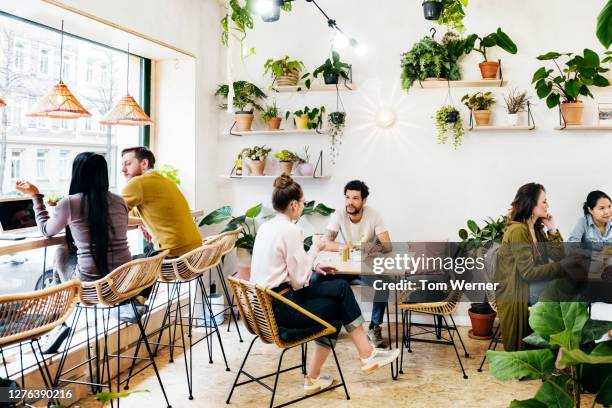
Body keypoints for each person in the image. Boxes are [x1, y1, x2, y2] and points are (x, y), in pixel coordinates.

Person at [250, 175, 399, 394]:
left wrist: (314, 265)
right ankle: (357, 358)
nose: (303, 206)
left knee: (340, 288)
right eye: (302, 203)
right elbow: (300, 282)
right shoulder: (291, 230)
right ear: (293, 204)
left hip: (264, 306)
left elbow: (288, 271)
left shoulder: (266, 227)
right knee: (337, 305)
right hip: (282, 308)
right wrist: (315, 249)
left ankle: (362, 357)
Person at [15, 152, 132, 282]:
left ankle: (60, 297)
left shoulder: (71, 203)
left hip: (90, 285)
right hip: (123, 281)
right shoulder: (119, 200)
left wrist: (35, 195)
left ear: (77, 173)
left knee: (61, 250)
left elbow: (45, 230)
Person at [495, 183, 577, 351]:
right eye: (544, 202)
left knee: (574, 291)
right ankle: (562, 349)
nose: (548, 205)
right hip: (519, 289)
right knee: (570, 293)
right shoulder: (518, 230)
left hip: (531, 284)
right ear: (531, 204)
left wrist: (552, 229)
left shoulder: (536, 229)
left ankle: (563, 347)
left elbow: (559, 256)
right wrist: (562, 267)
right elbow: (528, 273)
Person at [319, 180, 392, 347]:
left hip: (365, 268)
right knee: (317, 279)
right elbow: (324, 242)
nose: (350, 202)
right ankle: (329, 326)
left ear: (364, 201)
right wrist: (346, 247)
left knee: (384, 281)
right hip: (344, 268)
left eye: (355, 198)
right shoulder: (339, 214)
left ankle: (374, 326)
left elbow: (388, 245)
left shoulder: (374, 215)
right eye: (347, 197)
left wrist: (369, 248)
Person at [121, 147, 201, 257]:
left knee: (121, 265)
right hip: (196, 254)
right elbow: (135, 212)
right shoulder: (166, 181)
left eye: (128, 164)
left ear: (144, 163)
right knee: (147, 248)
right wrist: (142, 222)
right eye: (122, 165)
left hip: (174, 258)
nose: (123, 169)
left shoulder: (137, 183)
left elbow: (115, 217)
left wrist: (141, 222)